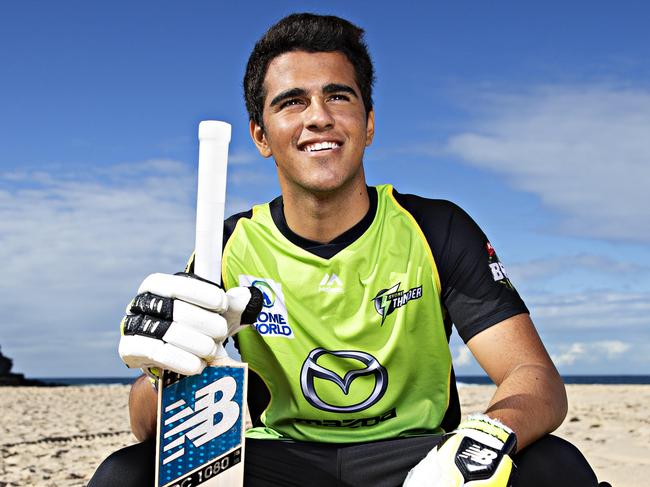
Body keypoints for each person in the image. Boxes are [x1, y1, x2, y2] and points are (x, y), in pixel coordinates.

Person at [89, 13, 607, 487]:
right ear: (260, 135)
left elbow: (534, 379)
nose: (319, 117)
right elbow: (146, 429)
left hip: (418, 457)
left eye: (338, 96)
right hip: (281, 456)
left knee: (555, 466)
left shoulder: (435, 228)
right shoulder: (227, 247)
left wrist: (482, 442)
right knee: (124, 475)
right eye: (292, 102)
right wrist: (163, 371)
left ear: (369, 123)